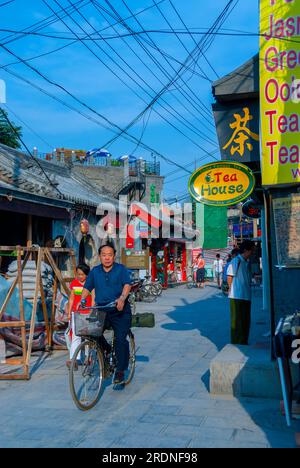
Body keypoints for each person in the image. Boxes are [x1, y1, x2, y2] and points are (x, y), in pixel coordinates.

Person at [80, 242, 132, 386]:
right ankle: (108, 349)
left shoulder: (121, 269)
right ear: (99, 257)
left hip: (119, 310)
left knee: (120, 339)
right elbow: (87, 287)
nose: (107, 258)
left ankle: (120, 371)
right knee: (92, 333)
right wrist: (82, 300)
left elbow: (127, 285)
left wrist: (122, 298)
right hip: (101, 310)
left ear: (114, 256)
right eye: (104, 255)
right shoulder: (95, 271)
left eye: (110, 255)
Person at [227, 240, 256, 345]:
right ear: (245, 250)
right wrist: (231, 289)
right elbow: (229, 276)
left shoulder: (246, 262)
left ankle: (243, 342)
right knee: (237, 322)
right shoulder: (236, 261)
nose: (253, 253)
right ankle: (236, 343)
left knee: (245, 321)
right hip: (237, 296)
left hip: (246, 296)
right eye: (251, 250)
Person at [66, 263, 93, 369]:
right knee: (75, 336)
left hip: (87, 313)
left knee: (88, 336)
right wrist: (69, 312)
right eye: (78, 274)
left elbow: (94, 298)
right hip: (76, 313)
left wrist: (93, 310)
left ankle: (88, 356)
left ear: (87, 274)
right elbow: (71, 298)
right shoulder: (74, 283)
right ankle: (74, 359)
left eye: (82, 274)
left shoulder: (91, 284)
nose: (79, 276)